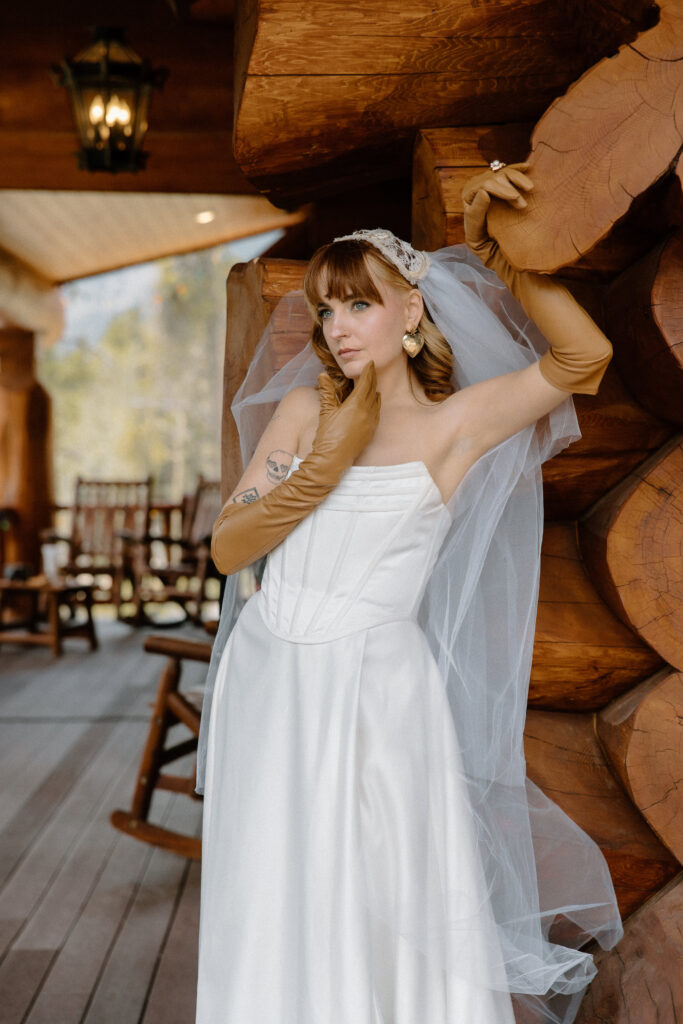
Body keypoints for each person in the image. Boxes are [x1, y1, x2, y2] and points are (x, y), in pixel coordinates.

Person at [195, 164, 623, 1024]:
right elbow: (227, 548)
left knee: (383, 892)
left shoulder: (453, 428)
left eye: (359, 304)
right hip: (269, 673)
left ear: (411, 310)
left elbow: (586, 357)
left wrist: (504, 263)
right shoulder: (304, 414)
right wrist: (322, 460)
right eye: (325, 308)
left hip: (377, 688)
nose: (339, 326)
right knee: (271, 887)